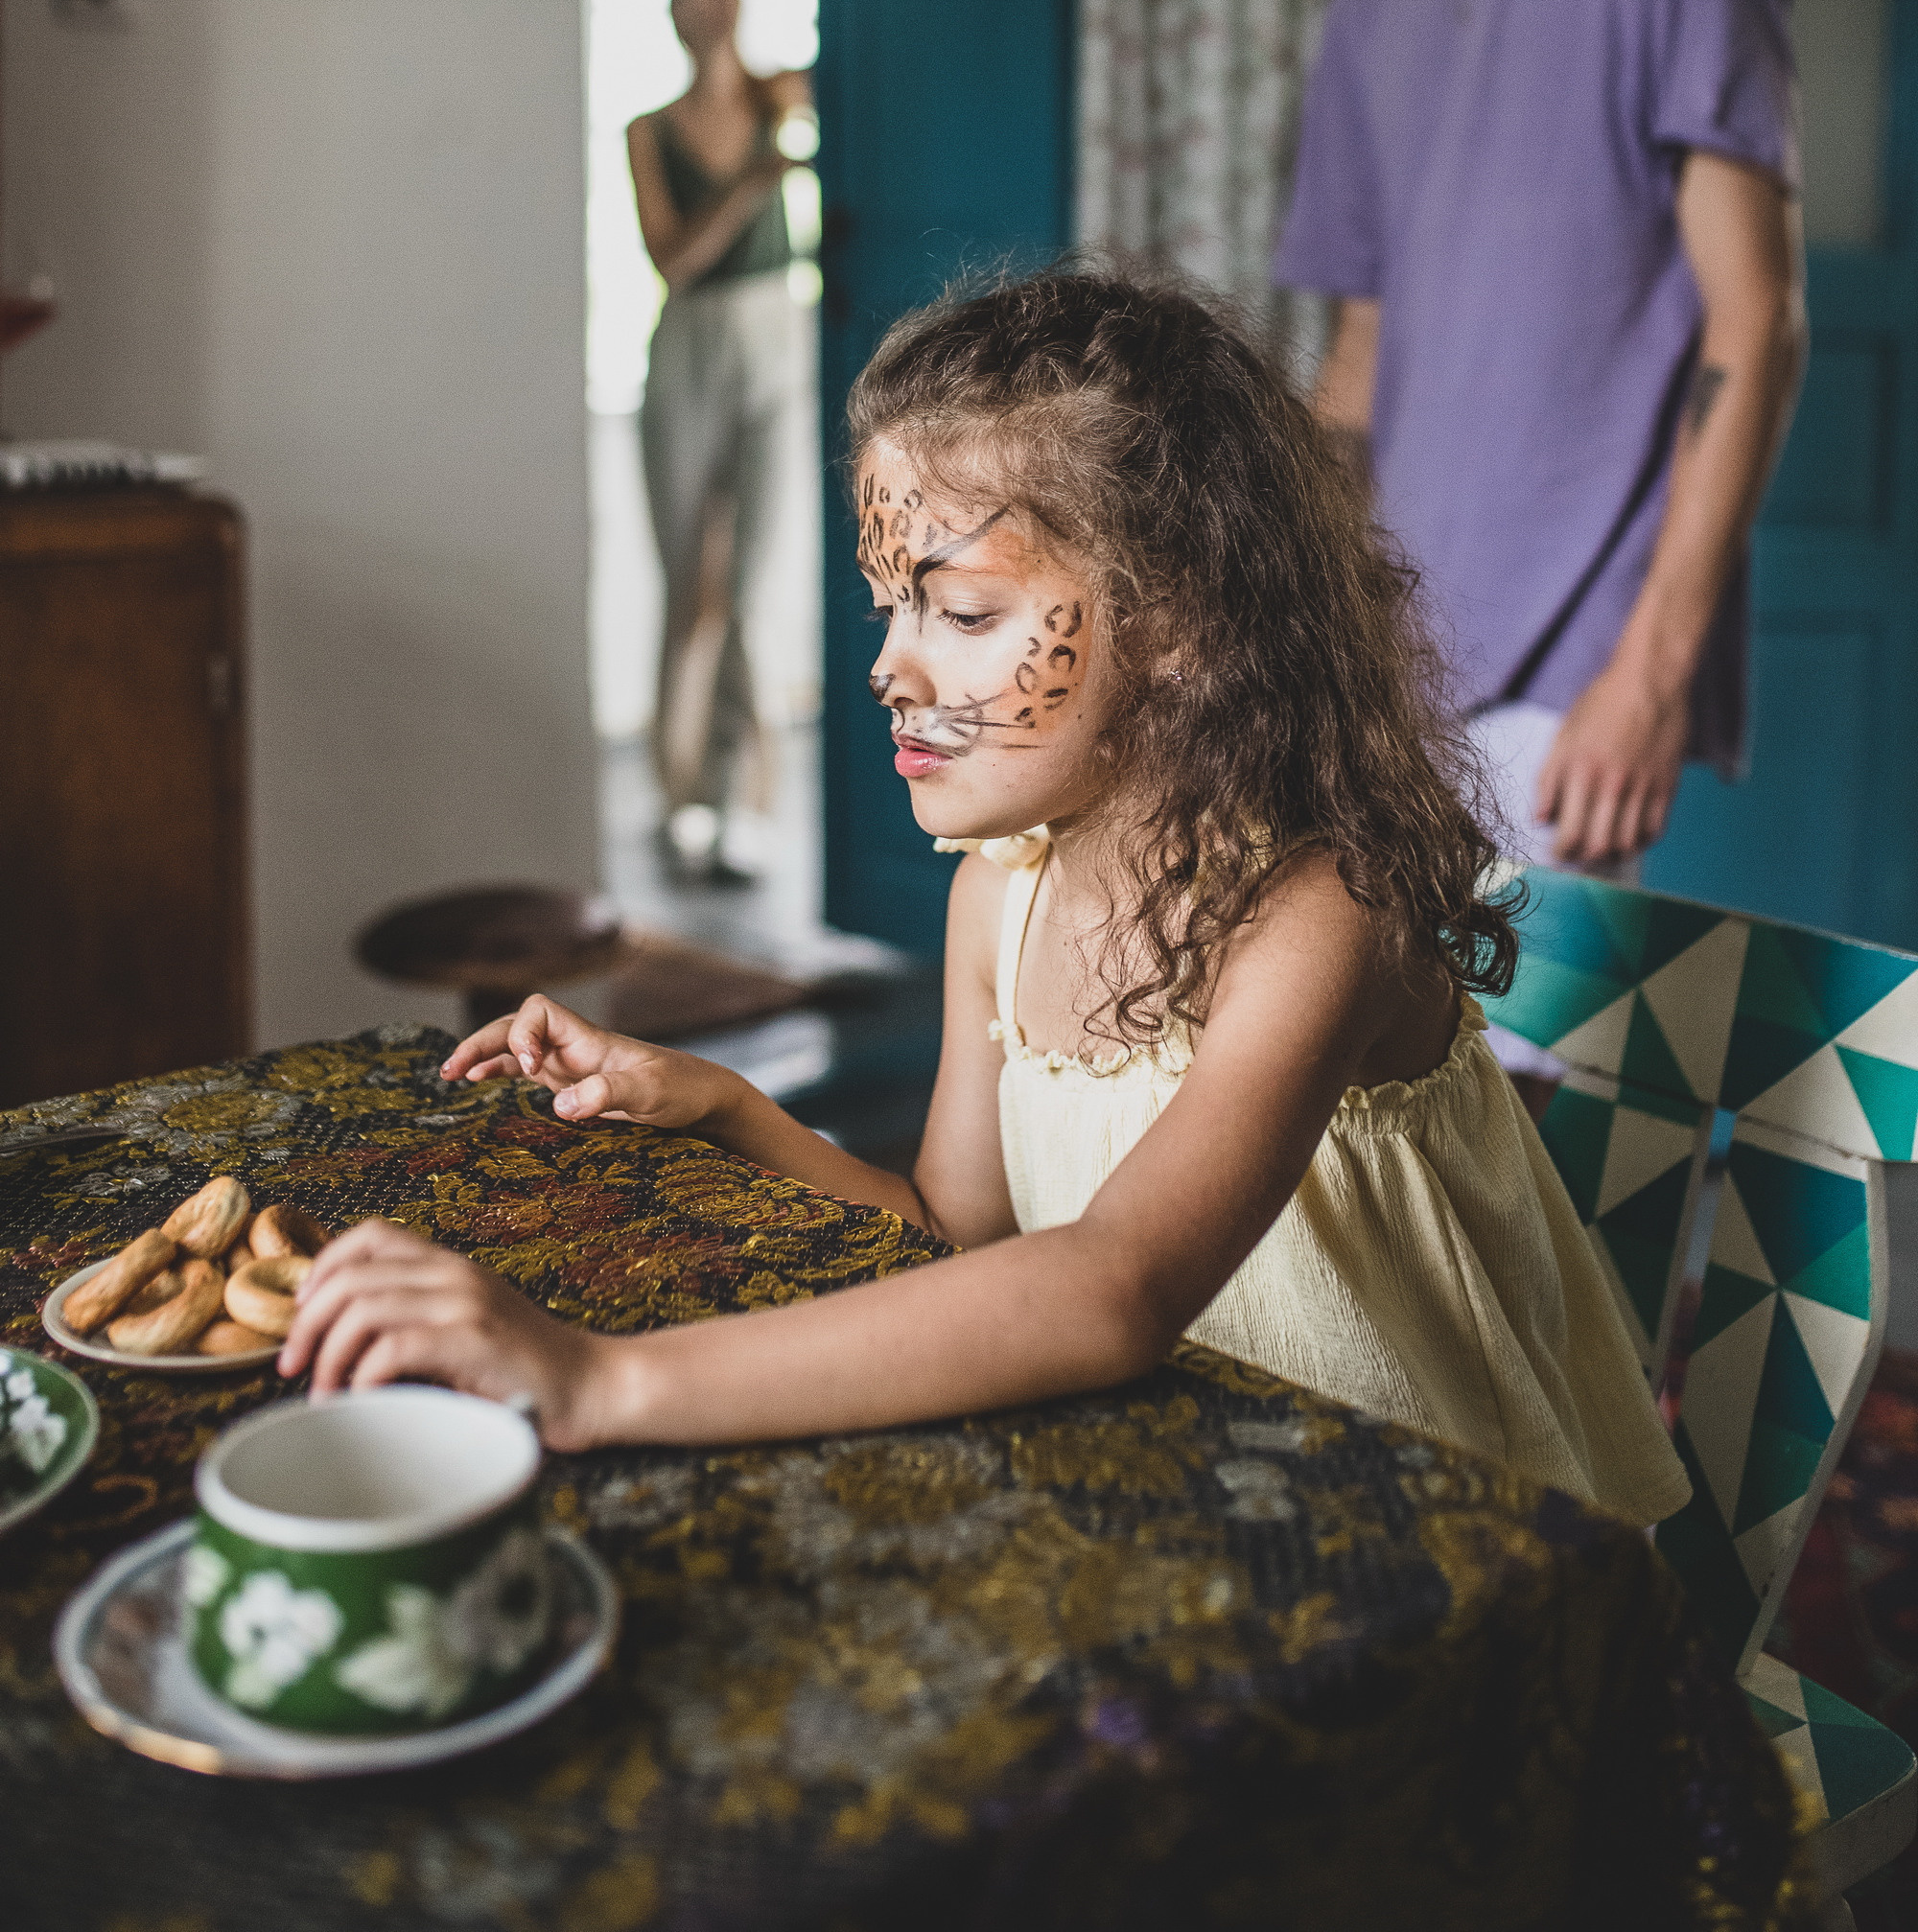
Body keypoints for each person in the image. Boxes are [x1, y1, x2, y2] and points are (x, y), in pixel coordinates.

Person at [283, 269, 1689, 1527]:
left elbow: (1110, 1288)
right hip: (1192, 1492)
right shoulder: (1000, 898)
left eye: (962, 616)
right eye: (890, 605)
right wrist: (731, 1108)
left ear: (1185, 622)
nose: (893, 667)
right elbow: (962, 1244)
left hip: (1438, 1546)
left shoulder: (1322, 909)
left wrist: (598, 1383)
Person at [1275, 0, 1804, 885]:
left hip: (1575, 666)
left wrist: (1651, 668)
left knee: (1531, 1095)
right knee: (1377, 1097)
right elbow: (1361, 361)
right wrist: (1293, 622)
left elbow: (1756, 321)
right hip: (1387, 657)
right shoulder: (1370, 5)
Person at [625, 0, 812, 882]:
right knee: (685, 587)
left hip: (777, 332)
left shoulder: (786, 91)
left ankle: (743, 795)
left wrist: (779, 138)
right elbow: (672, 259)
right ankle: (681, 792)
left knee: (750, 588)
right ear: (671, 8)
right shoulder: (649, 130)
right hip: (688, 348)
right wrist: (754, 176)